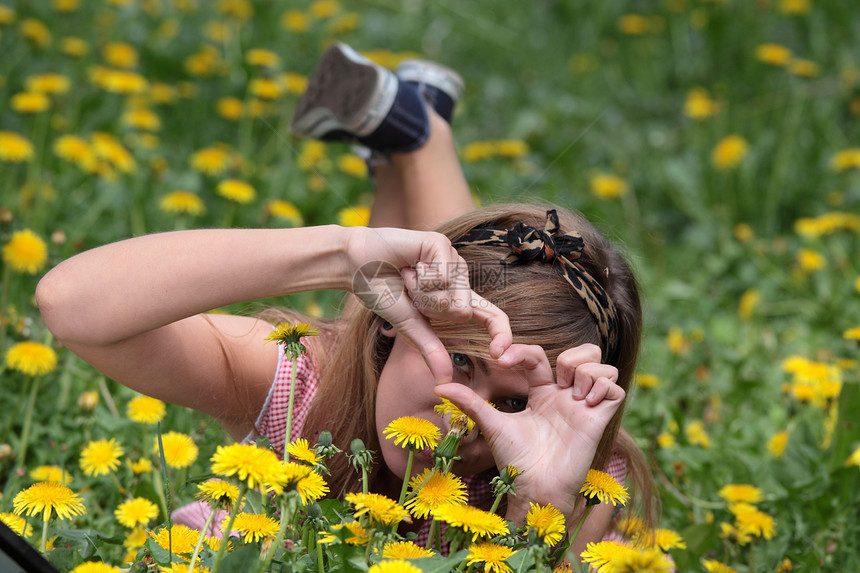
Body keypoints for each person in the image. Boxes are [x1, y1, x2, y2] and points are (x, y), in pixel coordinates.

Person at [35, 42, 654, 559]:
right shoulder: (306, 387)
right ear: (393, 319)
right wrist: (342, 256)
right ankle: (420, 136)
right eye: (463, 365)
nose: (466, 421)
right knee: (461, 298)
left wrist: (535, 508)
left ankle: (414, 135)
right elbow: (73, 305)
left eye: (516, 401)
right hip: (373, 349)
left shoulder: (581, 478)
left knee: (465, 308)